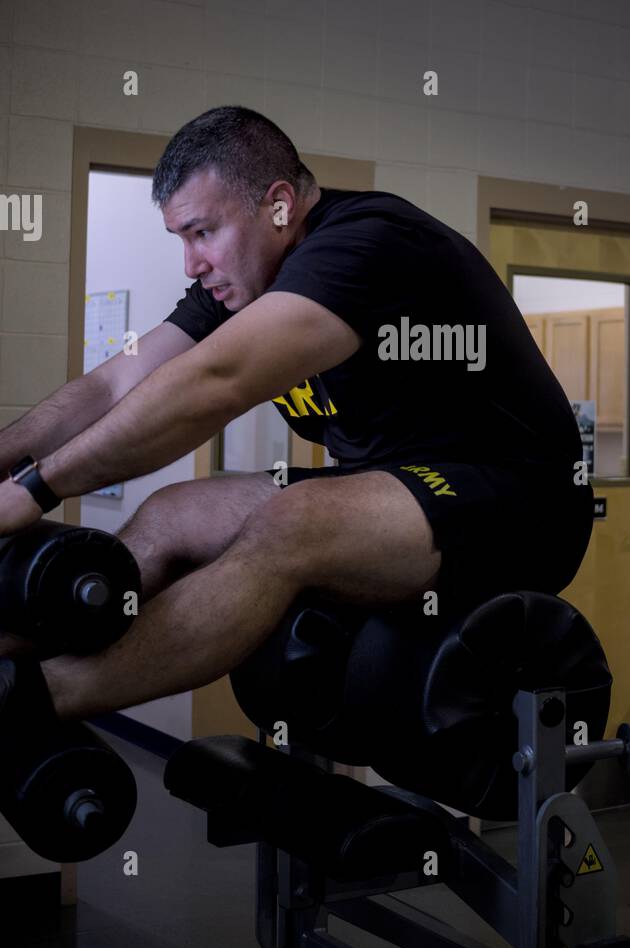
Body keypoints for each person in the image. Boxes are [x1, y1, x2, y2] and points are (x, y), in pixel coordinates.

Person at [0, 107, 593, 725]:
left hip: (522, 500)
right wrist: (5, 466)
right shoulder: (242, 283)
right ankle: (12, 655)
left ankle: (39, 697)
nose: (191, 264)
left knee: (294, 521)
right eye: (181, 239)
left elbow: (213, 383)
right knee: (171, 512)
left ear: (279, 205)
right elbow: (114, 383)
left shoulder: (369, 243)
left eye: (202, 233)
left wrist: (40, 486)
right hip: (393, 485)